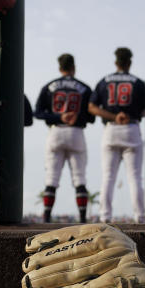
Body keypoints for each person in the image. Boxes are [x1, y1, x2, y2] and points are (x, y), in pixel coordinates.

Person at [89, 47, 145, 223]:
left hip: (111, 128)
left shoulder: (104, 81)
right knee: (135, 177)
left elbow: (92, 107)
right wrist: (128, 114)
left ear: (116, 62)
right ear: (129, 63)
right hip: (131, 127)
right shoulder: (138, 82)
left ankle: (105, 217)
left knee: (108, 176)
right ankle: (140, 217)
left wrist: (114, 115)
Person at [34, 53, 94, 223]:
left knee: (52, 178)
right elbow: (91, 117)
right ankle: (82, 217)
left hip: (56, 132)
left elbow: (38, 113)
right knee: (80, 178)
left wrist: (59, 117)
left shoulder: (49, 86)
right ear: (74, 67)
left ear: (60, 68)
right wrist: (77, 117)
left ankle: (46, 216)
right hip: (75, 132)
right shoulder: (84, 87)